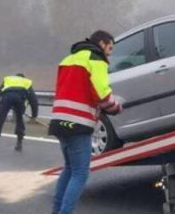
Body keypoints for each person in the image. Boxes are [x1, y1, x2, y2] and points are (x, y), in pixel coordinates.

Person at [49, 30, 122, 214]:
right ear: (102, 43)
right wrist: (115, 107)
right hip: (78, 122)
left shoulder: (69, 59)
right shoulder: (96, 59)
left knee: (69, 169)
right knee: (80, 173)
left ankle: (57, 210)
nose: (110, 53)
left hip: (59, 120)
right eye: (110, 48)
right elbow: (102, 93)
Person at [0, 72, 39, 156]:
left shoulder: (8, 80)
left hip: (6, 99)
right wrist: (34, 115)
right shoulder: (26, 82)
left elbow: (0, 92)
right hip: (19, 100)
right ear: (23, 78)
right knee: (19, 120)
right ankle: (19, 144)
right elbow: (33, 101)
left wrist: (5, 103)